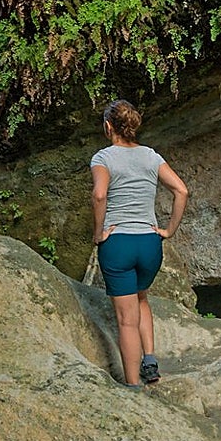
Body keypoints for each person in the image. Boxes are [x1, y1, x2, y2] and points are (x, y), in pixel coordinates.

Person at [90, 99, 188, 388]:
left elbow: (99, 195)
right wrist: (168, 230)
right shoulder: (150, 156)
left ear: (109, 127)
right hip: (149, 244)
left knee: (126, 321)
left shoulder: (103, 158)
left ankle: (133, 388)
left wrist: (98, 233)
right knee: (141, 296)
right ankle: (150, 359)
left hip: (118, 244)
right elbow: (181, 190)